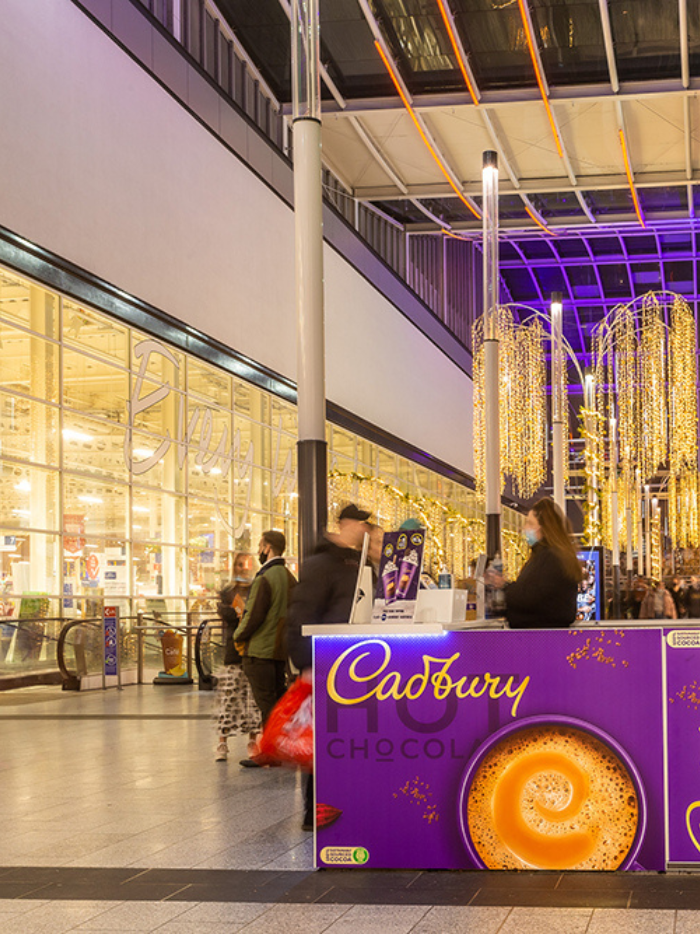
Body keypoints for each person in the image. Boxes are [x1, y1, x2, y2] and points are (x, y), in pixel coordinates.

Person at [287, 502, 371, 830]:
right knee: (322, 740)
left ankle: (333, 805)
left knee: (338, 738)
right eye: (362, 524)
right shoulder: (323, 563)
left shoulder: (354, 563)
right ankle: (313, 811)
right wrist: (306, 662)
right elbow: (301, 615)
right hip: (323, 661)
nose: (365, 530)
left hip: (348, 662)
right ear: (347, 523)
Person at [234, 530, 297, 767]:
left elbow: (254, 616)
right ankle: (279, 750)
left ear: (267, 548)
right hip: (279, 651)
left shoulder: (265, 578)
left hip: (259, 651)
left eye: (260, 546)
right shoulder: (289, 578)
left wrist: (238, 636)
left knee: (267, 704)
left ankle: (271, 753)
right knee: (275, 701)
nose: (258, 550)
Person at [488, 498, 583, 629]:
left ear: (543, 528)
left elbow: (531, 598)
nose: (525, 528)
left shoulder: (550, 558)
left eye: (529, 523)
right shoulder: (557, 556)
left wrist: (504, 587)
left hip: (539, 636)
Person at [214, 562, 258, 762]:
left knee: (252, 700)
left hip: (252, 650)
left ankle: (252, 740)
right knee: (229, 697)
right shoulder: (228, 593)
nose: (243, 569)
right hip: (234, 652)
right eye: (240, 565)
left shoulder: (257, 589)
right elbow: (230, 616)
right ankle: (222, 741)